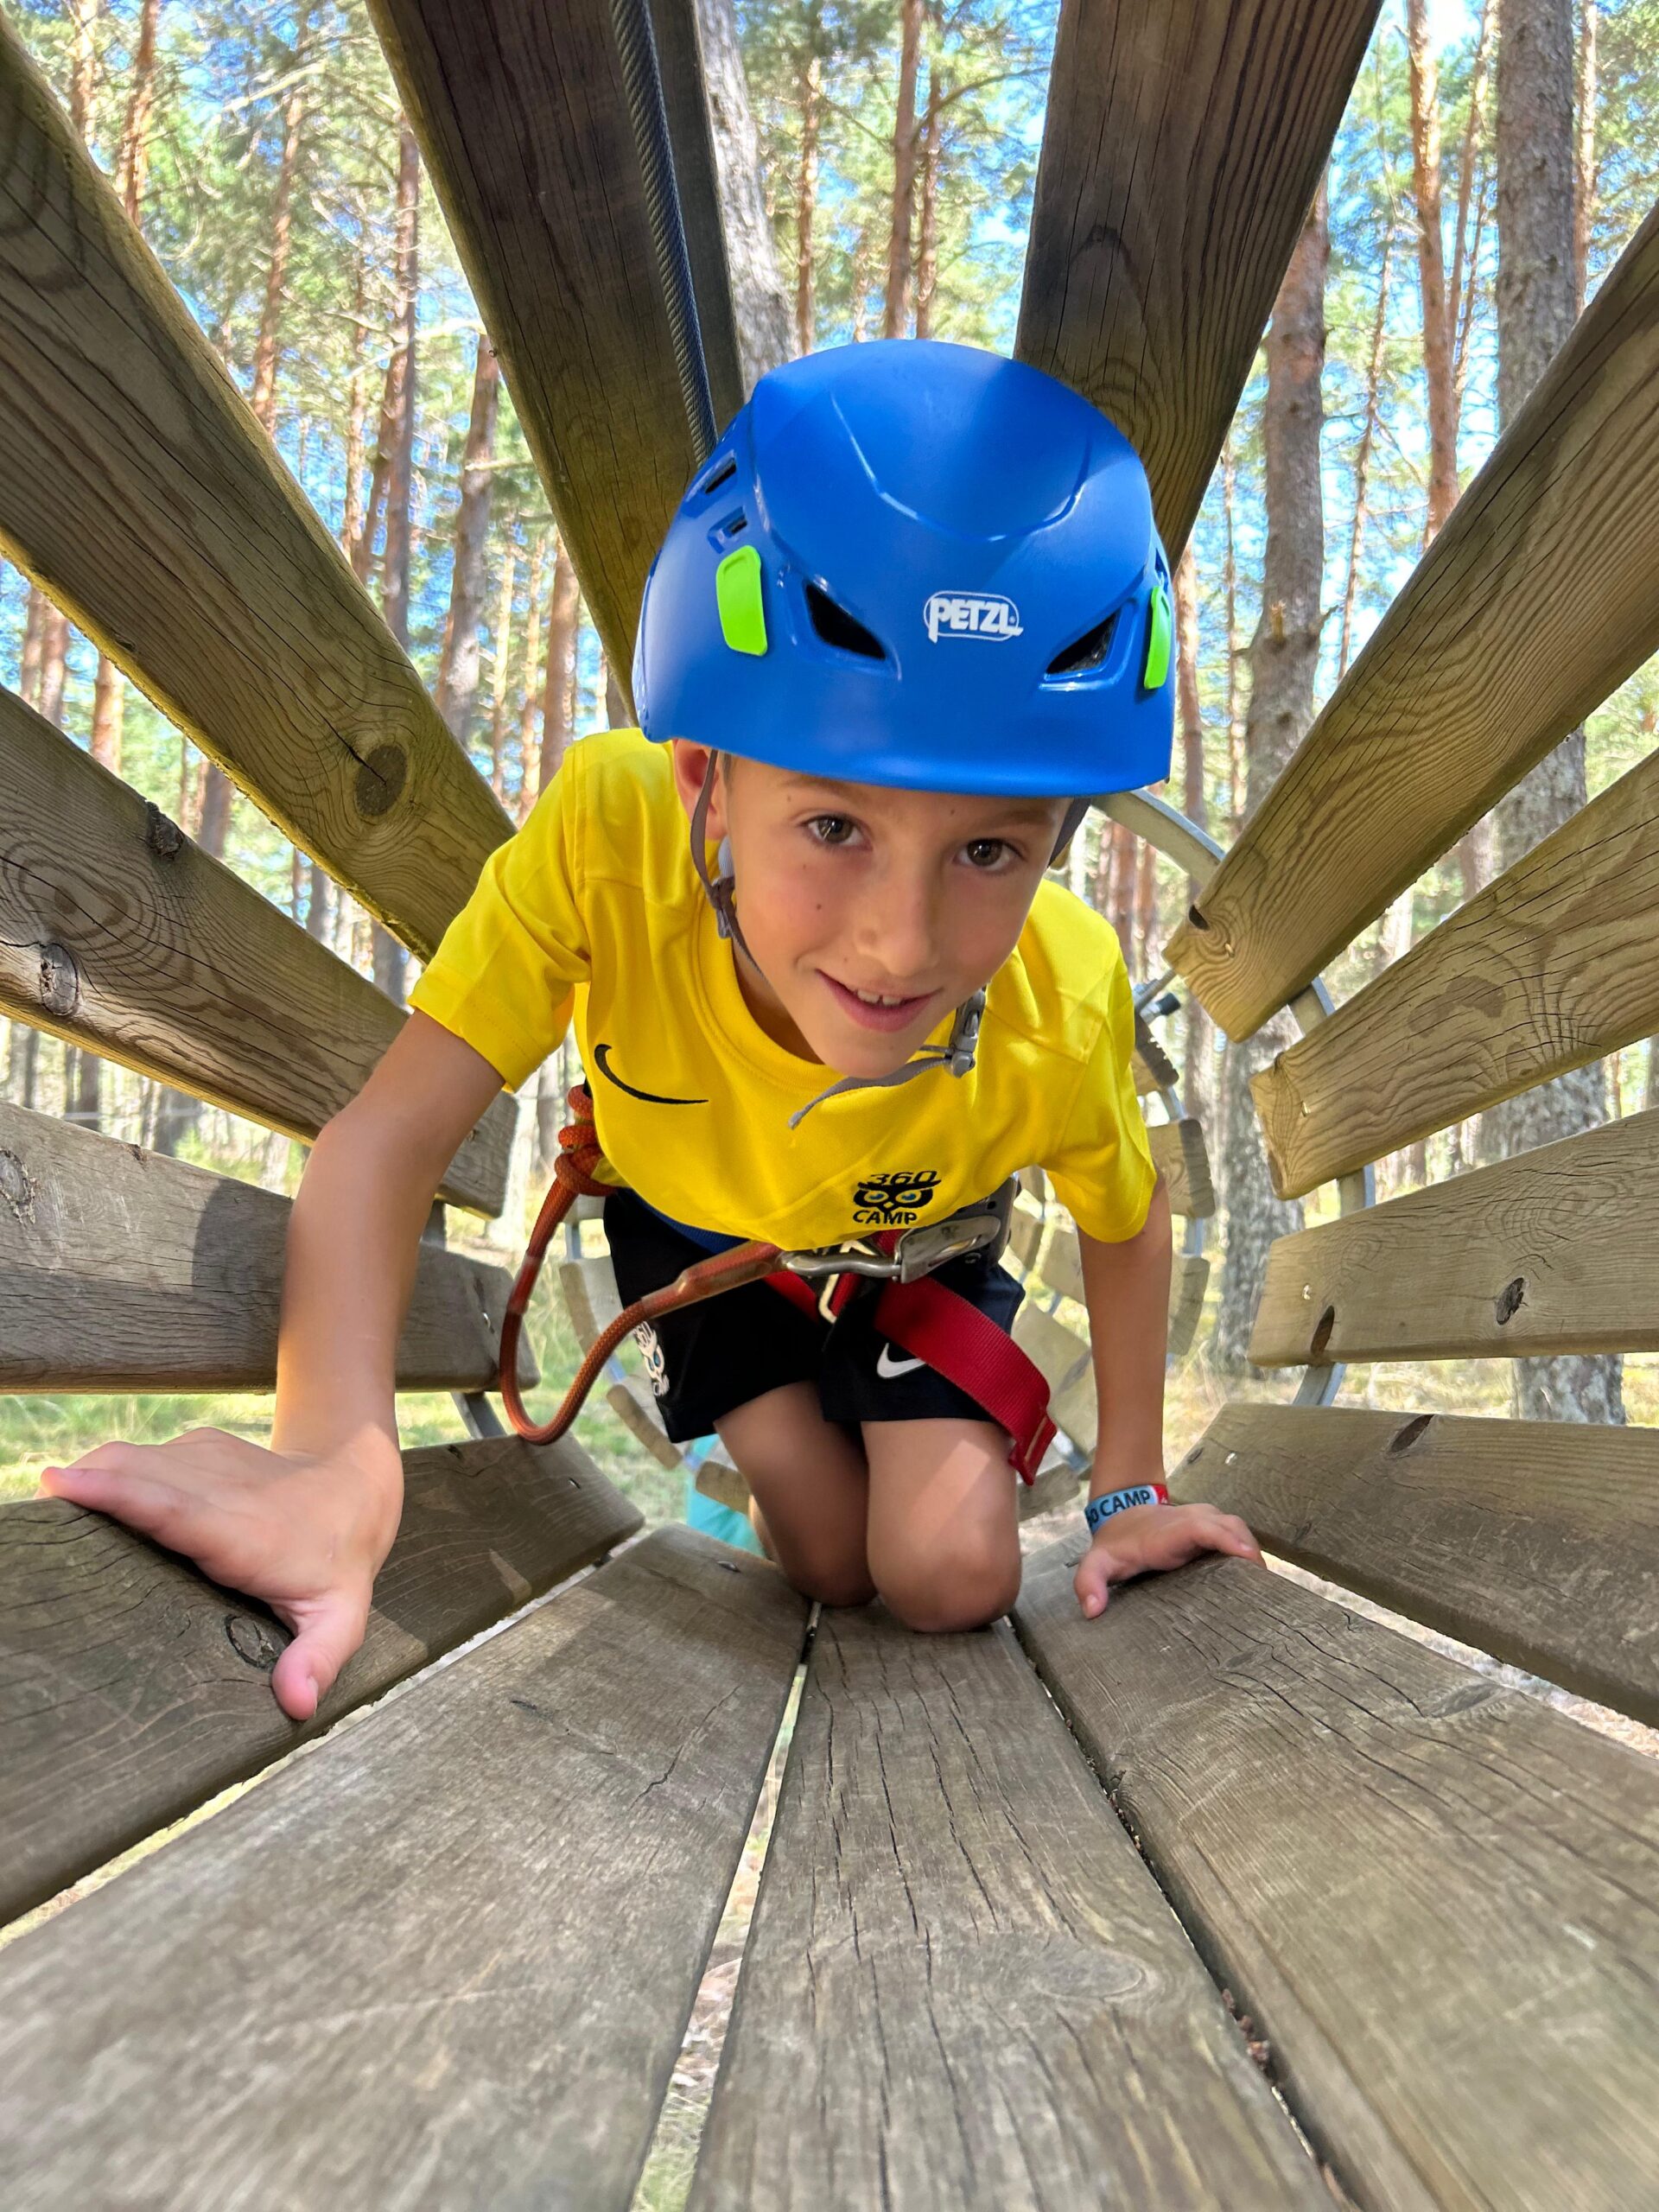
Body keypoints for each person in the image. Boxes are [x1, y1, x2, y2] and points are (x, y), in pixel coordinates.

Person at [41, 340, 1261, 1722]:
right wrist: (332, 1454)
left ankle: (894, 1440)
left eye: (991, 852)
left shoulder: (1061, 994)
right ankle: (815, 1449)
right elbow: (387, 1141)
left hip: (913, 1242)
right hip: (702, 1247)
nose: (900, 942)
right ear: (707, 780)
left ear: (1060, 841)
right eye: (832, 826)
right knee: (826, 1561)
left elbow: (1126, 1215)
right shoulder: (613, 842)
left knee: (946, 1577)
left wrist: (1131, 1489)